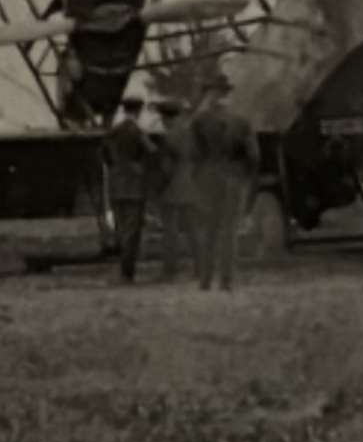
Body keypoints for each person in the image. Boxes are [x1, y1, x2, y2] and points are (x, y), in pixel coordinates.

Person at [188, 73, 258, 291]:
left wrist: (198, 176)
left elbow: (192, 154)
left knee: (208, 230)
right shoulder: (241, 121)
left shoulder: (199, 121)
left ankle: (205, 280)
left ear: (210, 94)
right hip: (233, 178)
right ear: (227, 94)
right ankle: (226, 280)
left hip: (207, 178)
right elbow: (254, 156)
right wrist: (244, 175)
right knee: (229, 230)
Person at [102, 96, 154, 282]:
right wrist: (140, 168)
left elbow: (105, 155)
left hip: (116, 186)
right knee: (132, 231)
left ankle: (123, 270)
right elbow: (151, 152)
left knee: (121, 228)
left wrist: (117, 168)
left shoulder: (113, 131)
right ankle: (127, 273)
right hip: (135, 186)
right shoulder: (137, 131)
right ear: (138, 111)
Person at [151, 98, 198, 280]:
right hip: (191, 188)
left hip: (171, 190)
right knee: (194, 231)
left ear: (165, 118)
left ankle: (170, 271)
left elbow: (166, 169)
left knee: (171, 233)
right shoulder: (191, 136)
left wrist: (158, 189)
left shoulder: (168, 138)